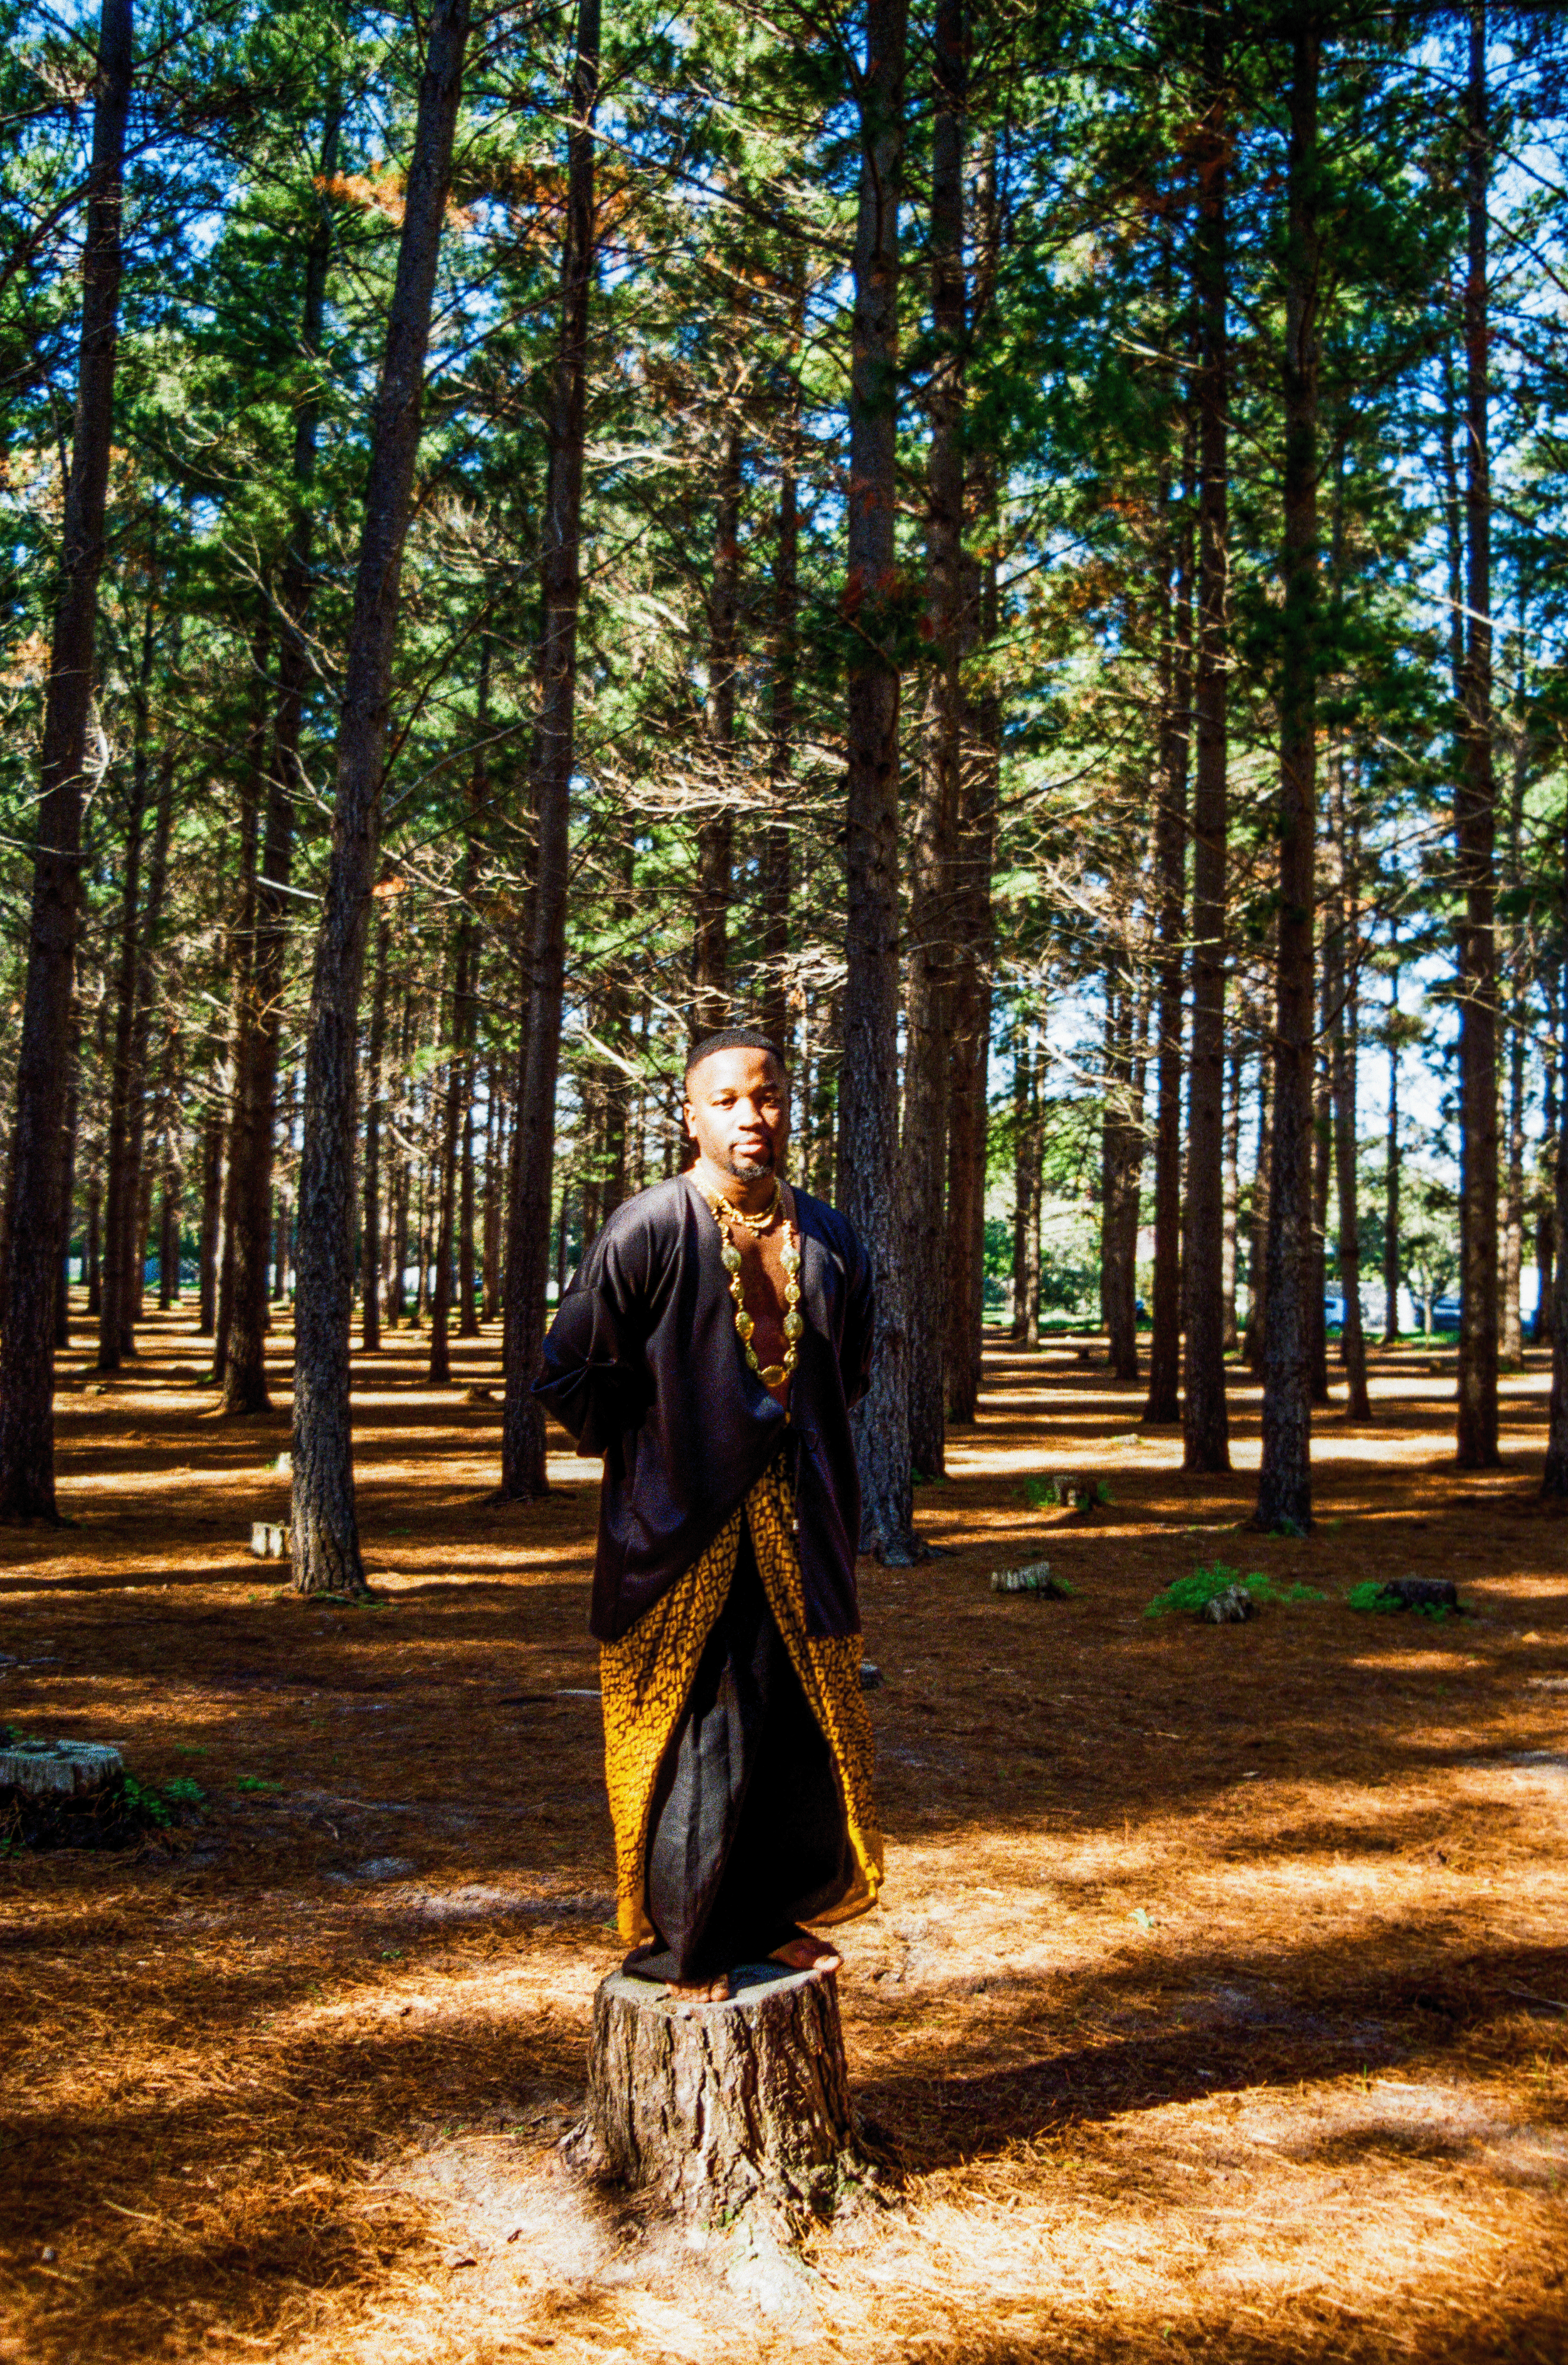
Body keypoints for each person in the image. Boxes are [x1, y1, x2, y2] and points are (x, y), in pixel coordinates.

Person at [535, 1027, 883, 2001]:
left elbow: (848, 1369)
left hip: (797, 1525)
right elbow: (567, 1371)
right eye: (726, 1099)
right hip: (677, 1532)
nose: (750, 1116)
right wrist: (661, 1449)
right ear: (691, 1116)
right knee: (698, 1732)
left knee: (785, 1723)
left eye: (765, 1097)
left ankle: (769, 1920)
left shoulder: (834, 1237)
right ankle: (680, 1946)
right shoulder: (651, 1225)